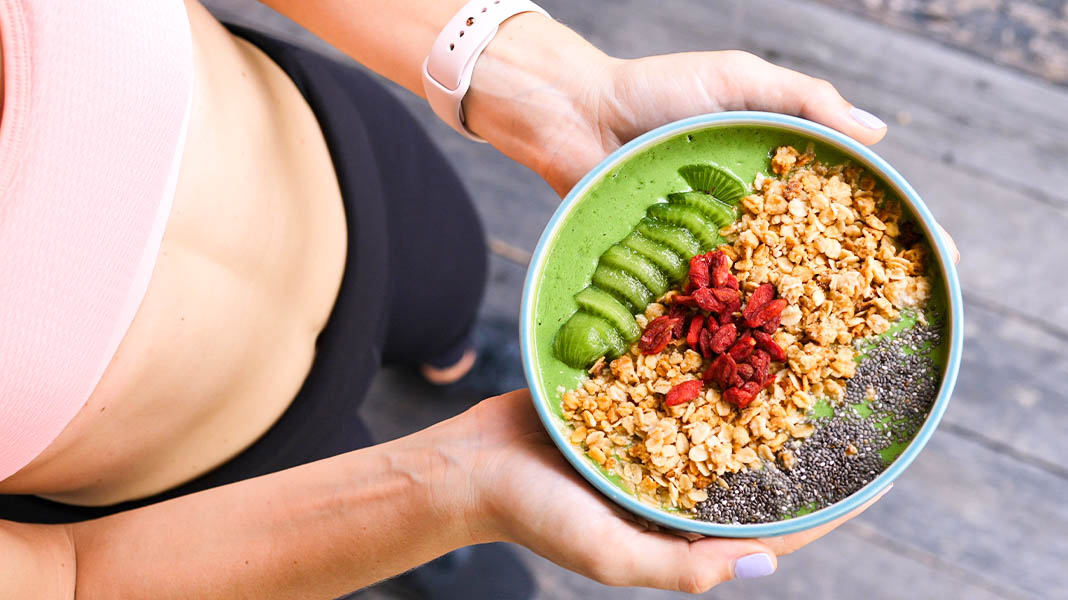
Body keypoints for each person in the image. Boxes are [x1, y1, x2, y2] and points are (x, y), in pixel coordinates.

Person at [0, 1, 959, 597]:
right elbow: (65, 580)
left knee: (454, 289)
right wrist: (449, 490)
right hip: (217, 482)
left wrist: (543, 78)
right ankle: (430, 542)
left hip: (355, 162)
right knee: (410, 532)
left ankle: (454, 356)